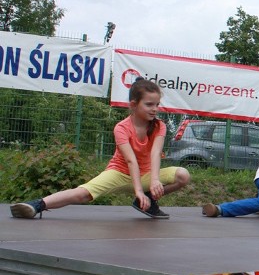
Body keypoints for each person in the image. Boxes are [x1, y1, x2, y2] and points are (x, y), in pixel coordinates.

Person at [10, 77, 190, 220]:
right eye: (149, 105)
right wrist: (137, 190)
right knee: (83, 194)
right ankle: (37, 205)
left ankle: (149, 199)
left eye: (157, 104)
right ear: (134, 105)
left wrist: (155, 181)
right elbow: (130, 160)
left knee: (182, 175)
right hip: (119, 173)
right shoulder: (121, 128)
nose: (155, 109)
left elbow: (155, 153)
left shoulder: (160, 126)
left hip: (146, 175)